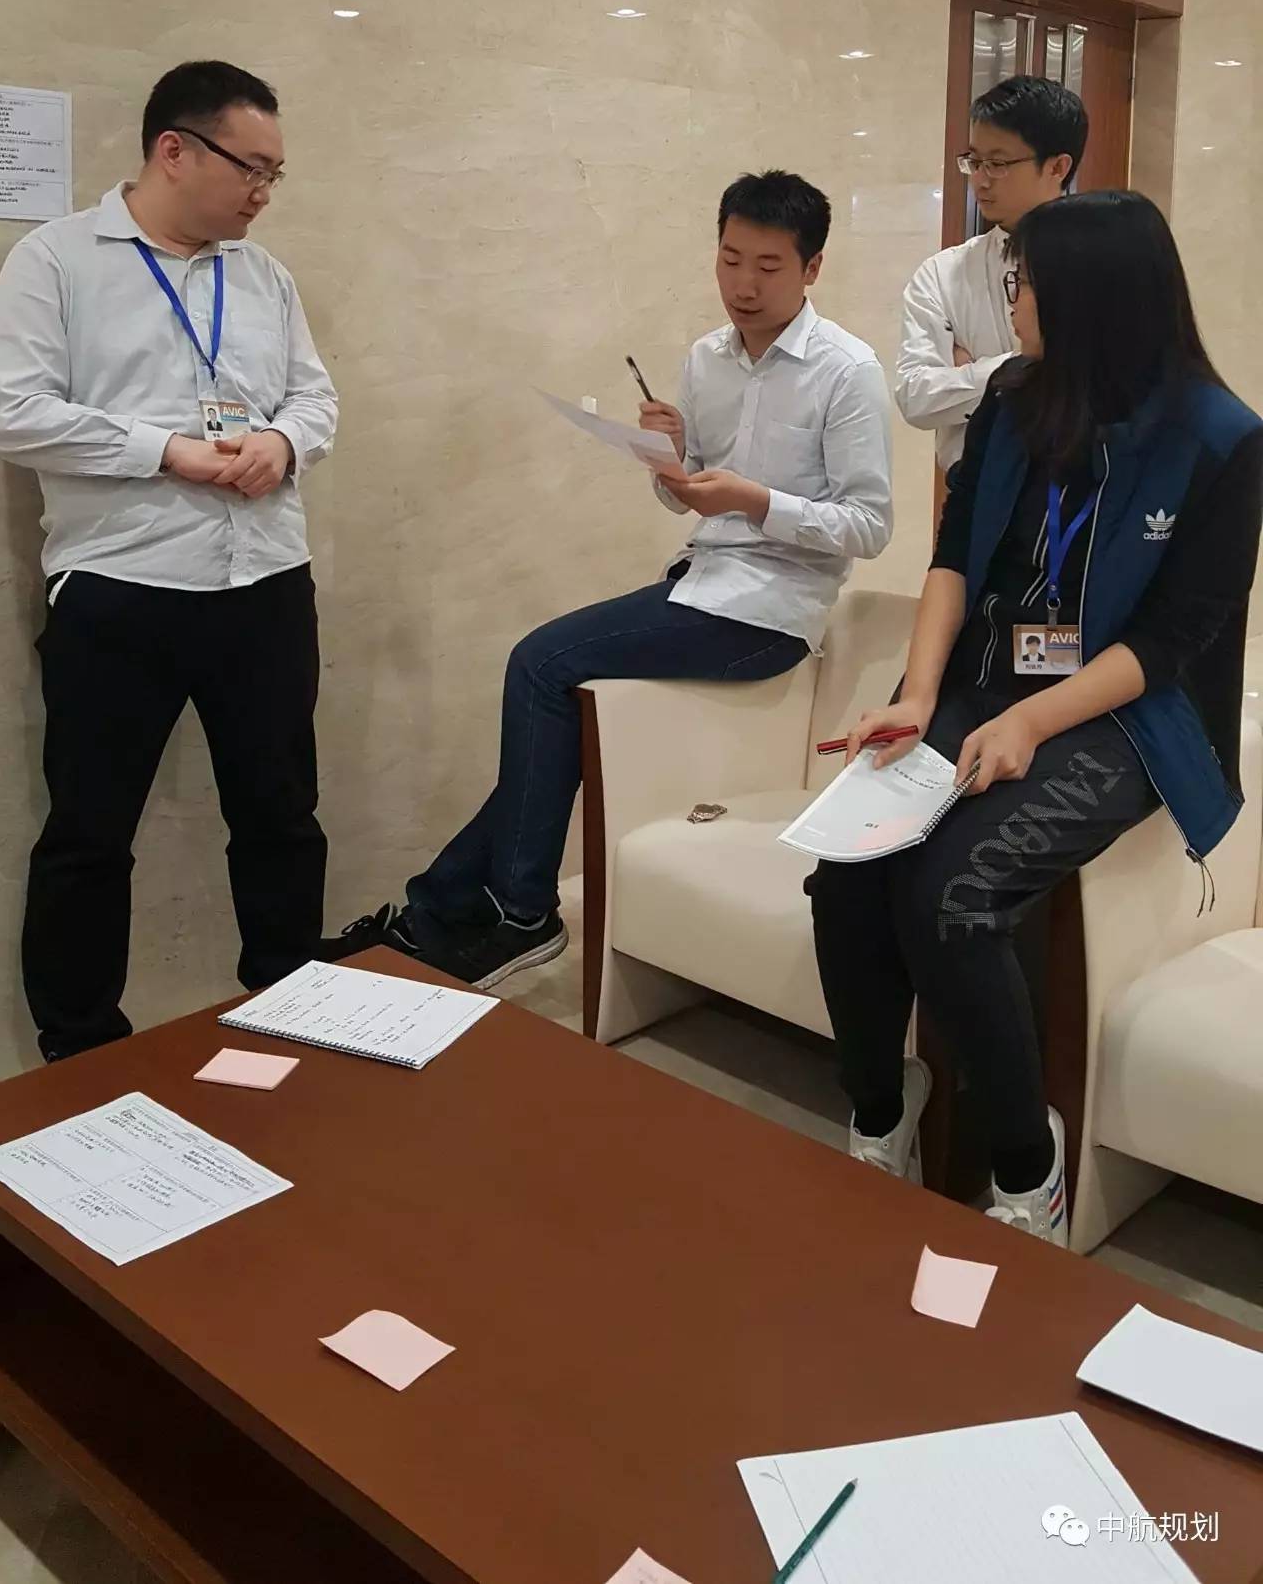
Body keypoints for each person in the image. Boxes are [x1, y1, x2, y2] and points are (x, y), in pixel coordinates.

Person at [809, 190, 1262, 1243]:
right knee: (848, 871)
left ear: (1089, 297)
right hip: (981, 683)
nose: (1008, 300)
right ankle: (881, 1107)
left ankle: (1027, 1168)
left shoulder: (1222, 439)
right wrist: (917, 694)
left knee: (952, 896)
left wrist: (1033, 722)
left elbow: (1173, 639)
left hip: (1128, 714)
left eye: (1024, 283)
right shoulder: (1013, 397)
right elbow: (953, 557)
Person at [330, 169, 894, 987]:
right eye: (730, 258)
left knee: (539, 661)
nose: (743, 283)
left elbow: (869, 524)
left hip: (773, 611)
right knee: (554, 703)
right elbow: (687, 498)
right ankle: (441, 905)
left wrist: (753, 499)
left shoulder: (847, 370)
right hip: (701, 580)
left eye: (769, 266)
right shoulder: (706, 358)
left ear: (812, 268)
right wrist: (671, 461)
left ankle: (519, 912)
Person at [0, 60, 338, 1061]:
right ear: (173, 149)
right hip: (120, 591)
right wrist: (165, 450)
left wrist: (284, 442)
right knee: (90, 835)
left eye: (275, 173)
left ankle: (291, 1011)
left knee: (281, 816)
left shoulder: (263, 275)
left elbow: (315, 396)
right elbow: (11, 411)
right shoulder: (57, 259)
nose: (263, 191)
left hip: (265, 582)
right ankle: (81, 1052)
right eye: (250, 167)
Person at [896, 76, 1088, 472]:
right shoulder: (943, 273)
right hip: (973, 486)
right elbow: (916, 397)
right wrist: (1014, 368)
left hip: (1081, 486)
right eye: (974, 161)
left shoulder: (1103, 262)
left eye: (998, 164)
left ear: (1057, 166)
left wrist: (968, 374)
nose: (979, 179)